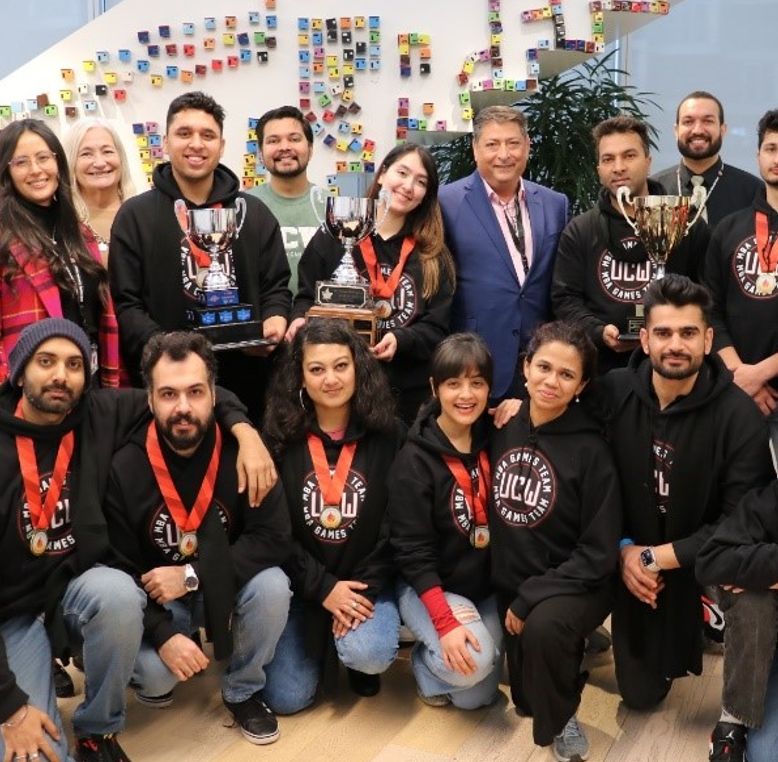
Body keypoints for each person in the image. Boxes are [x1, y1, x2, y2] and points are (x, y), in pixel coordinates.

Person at [0, 318, 271, 762]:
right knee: (33, 754)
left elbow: (191, 390)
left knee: (117, 592)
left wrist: (245, 430)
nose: (59, 376)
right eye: (45, 362)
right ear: (18, 371)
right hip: (10, 614)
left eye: (72, 364)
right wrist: (10, 708)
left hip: (71, 590)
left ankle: (96, 732)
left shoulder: (100, 412)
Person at [600, 275, 774, 762]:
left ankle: (734, 722)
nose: (675, 345)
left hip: (702, 558)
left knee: (755, 592)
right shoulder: (612, 392)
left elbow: (744, 521)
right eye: (664, 333)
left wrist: (657, 558)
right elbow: (583, 481)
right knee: (639, 695)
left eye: (688, 333)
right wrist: (624, 551)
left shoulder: (739, 414)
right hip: (632, 552)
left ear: (709, 339)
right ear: (646, 337)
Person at [103, 332, 292, 746]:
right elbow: (117, 564)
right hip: (159, 598)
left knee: (273, 585)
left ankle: (242, 689)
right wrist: (161, 633)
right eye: (168, 394)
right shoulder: (126, 466)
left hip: (217, 588)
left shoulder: (247, 454)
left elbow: (274, 538)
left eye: (195, 392)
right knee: (155, 679)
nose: (184, 407)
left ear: (215, 395)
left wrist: (192, 575)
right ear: (149, 399)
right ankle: (172, 653)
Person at [109, 91, 291, 423]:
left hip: (248, 388)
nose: (196, 144)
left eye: (207, 135)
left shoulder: (254, 213)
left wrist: (275, 320)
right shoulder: (134, 216)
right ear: (166, 142)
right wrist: (171, 352)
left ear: (221, 146)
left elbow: (276, 286)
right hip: (168, 391)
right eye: (184, 133)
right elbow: (126, 304)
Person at [490, 321, 620, 761]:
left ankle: (565, 712)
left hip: (576, 580)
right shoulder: (499, 424)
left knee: (546, 631)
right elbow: (437, 417)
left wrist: (531, 598)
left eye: (567, 374)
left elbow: (599, 553)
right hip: (512, 577)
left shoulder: (592, 450)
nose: (551, 381)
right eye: (543, 367)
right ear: (525, 367)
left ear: (582, 384)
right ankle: (572, 643)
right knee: (525, 699)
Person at [261, 320, 403, 714]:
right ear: (300, 377)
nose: (331, 379)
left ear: (358, 368)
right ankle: (323, 634)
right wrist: (323, 588)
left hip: (365, 585)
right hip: (303, 587)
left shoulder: (389, 435)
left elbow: (399, 528)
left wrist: (360, 590)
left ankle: (350, 647)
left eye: (341, 366)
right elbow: (273, 532)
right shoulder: (278, 438)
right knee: (286, 699)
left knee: (369, 652)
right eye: (317, 369)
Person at [289, 143, 455, 424]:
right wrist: (297, 319)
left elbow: (437, 327)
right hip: (339, 392)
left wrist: (401, 339)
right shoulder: (338, 232)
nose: (408, 186)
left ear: (426, 194)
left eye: (420, 182)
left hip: (406, 395)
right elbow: (306, 296)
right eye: (402, 173)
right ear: (382, 174)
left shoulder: (432, 253)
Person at [388, 333, 502, 710]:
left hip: (481, 586)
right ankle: (423, 663)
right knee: (474, 666)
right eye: (453, 383)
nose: (466, 395)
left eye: (477, 383)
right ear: (435, 387)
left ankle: (452, 660)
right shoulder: (413, 460)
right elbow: (413, 555)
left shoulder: (495, 436)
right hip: (429, 588)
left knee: (476, 696)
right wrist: (445, 624)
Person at [552, 115, 709, 374]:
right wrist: (598, 332)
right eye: (608, 159)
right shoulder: (580, 231)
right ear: (598, 169)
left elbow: (708, 291)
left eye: (629, 156)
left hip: (675, 368)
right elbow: (564, 299)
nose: (618, 167)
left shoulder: (685, 223)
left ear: (648, 162)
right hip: (602, 374)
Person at [438, 105, 569, 401]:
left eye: (513, 143)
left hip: (538, 366)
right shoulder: (445, 203)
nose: (504, 154)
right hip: (473, 361)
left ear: (527, 146)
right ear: (475, 149)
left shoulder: (555, 204)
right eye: (492, 145)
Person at [0, 119, 122, 389]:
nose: (36, 170)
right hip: (27, 394)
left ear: (58, 162)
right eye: (21, 162)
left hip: (89, 386)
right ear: (6, 173)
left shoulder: (79, 232)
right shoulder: (4, 237)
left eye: (44, 158)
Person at [703, 109, 778, 462]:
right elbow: (711, 312)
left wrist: (759, 374)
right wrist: (739, 375)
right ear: (758, 155)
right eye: (771, 148)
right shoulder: (728, 229)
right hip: (734, 393)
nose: (777, 159)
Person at [697, 484, 778, 762]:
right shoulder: (769, 499)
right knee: (766, 757)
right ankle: (732, 722)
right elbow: (711, 560)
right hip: (767, 651)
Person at [653, 91, 761, 229]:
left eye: (708, 121)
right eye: (688, 122)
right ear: (676, 130)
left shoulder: (753, 191)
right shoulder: (654, 190)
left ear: (723, 130)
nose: (697, 130)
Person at [251, 105, 320, 294]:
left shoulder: (333, 207)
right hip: (263, 319)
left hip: (321, 320)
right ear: (260, 153)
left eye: (294, 139)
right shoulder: (244, 206)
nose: (284, 147)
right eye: (273, 141)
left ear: (310, 149)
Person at [63, 118, 136, 266]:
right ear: (71, 163)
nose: (100, 163)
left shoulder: (143, 213)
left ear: (120, 157)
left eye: (107, 151)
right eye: (86, 154)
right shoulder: (61, 220)